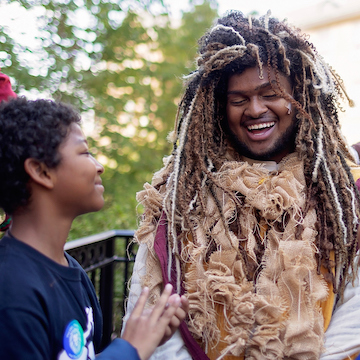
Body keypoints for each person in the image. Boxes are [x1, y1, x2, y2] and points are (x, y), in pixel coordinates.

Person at [123, 10, 360, 360]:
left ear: (300, 97)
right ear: (218, 108)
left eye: (270, 93)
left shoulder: (341, 192)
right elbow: (150, 313)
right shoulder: (180, 197)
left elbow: (355, 310)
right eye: (238, 100)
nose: (254, 109)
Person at [0, 97, 189, 360]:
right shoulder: (11, 291)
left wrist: (147, 338)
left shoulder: (72, 271)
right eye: (85, 152)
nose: (98, 166)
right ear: (41, 171)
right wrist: (128, 350)